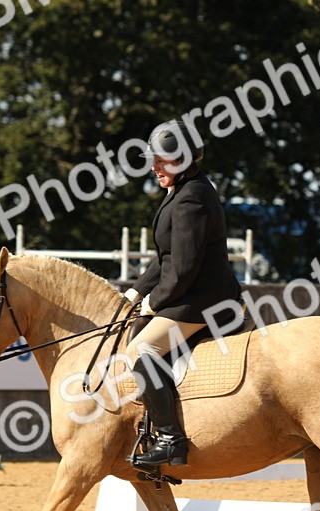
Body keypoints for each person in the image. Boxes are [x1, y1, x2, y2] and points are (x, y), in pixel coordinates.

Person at [122, 119, 243, 467]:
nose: (153, 166)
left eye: (161, 159)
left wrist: (154, 301)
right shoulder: (180, 192)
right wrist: (133, 294)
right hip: (190, 294)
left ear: (182, 160)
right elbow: (164, 259)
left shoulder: (194, 196)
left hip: (206, 300)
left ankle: (171, 440)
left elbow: (184, 267)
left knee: (142, 349)